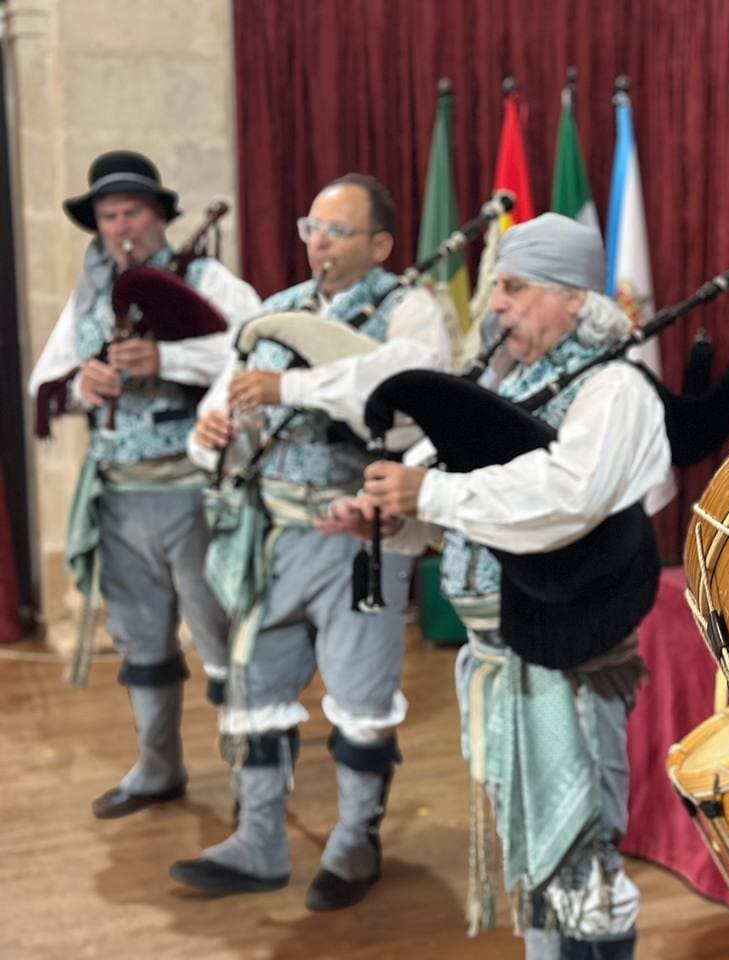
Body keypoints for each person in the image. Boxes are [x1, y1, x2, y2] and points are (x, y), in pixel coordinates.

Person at [322, 213, 670, 959]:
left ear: (574, 297)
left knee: (582, 865)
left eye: (513, 287)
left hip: (567, 666)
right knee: (536, 857)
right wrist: (396, 518)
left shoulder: (615, 388)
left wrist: (431, 493)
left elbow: (565, 497)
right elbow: (466, 503)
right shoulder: (507, 382)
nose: (495, 304)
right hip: (496, 662)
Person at [168, 173, 452, 911]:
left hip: (361, 540)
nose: (318, 243)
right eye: (311, 228)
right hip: (274, 537)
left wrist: (288, 390)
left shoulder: (409, 310)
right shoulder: (275, 313)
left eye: (337, 231)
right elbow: (228, 398)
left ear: (380, 245)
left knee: (360, 698)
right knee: (255, 687)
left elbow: (400, 384)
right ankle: (258, 841)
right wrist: (211, 435)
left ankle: (355, 841)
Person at [27, 149, 261, 820]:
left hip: (196, 493)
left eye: (132, 212)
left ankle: (254, 777)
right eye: (108, 217)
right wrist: (84, 382)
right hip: (119, 496)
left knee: (220, 637)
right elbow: (45, 380)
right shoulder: (91, 290)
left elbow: (256, 351)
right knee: (140, 639)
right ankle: (158, 767)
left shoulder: (208, 279)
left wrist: (168, 357)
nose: (121, 228)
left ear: (159, 215)